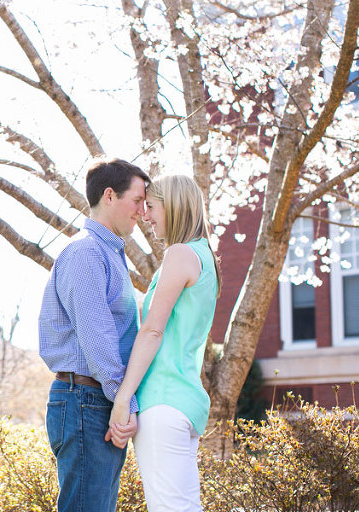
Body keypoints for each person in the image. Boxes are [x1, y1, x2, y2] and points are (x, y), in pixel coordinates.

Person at [38, 157, 150, 512]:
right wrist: (125, 402)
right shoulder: (87, 252)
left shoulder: (110, 254)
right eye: (137, 200)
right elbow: (97, 339)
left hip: (94, 399)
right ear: (109, 196)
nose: (142, 211)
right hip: (86, 399)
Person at [108, 174, 221, 511]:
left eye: (152, 206)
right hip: (184, 402)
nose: (145, 214)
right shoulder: (204, 257)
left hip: (163, 401)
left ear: (173, 206)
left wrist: (123, 399)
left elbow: (152, 331)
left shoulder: (180, 254)